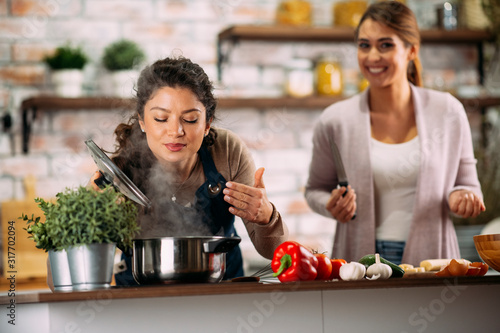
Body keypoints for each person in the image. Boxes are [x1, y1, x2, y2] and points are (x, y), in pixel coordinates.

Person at [304, 1, 485, 266]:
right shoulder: (335, 120)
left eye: (385, 45)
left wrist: (461, 197)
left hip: (435, 259)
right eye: (364, 45)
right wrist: (330, 205)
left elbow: (470, 187)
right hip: (359, 261)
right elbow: (314, 189)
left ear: (412, 50)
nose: (372, 56)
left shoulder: (448, 112)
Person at [90, 56, 288, 284]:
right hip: (140, 303)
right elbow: (71, 279)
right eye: (161, 118)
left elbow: (276, 252)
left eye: (191, 119)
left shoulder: (227, 151)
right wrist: (90, 220)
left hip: (223, 295)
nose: (175, 131)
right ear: (142, 121)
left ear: (207, 123)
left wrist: (266, 216)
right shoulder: (118, 175)